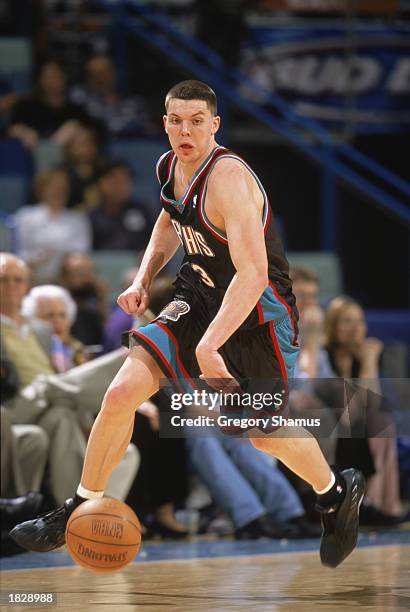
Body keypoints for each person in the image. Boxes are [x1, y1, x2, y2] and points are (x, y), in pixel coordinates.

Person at [11, 80, 364, 569]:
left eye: (197, 120)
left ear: (214, 125)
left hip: (257, 311)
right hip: (197, 294)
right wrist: (142, 278)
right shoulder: (168, 166)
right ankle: (77, 507)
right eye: (176, 120)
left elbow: (253, 272)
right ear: (165, 123)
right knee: (119, 395)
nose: (186, 130)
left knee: (261, 434)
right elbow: (168, 220)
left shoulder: (229, 178)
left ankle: (335, 491)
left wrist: (210, 345)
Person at [14, 167, 91, 284]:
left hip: (67, 281)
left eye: (63, 188)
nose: (58, 191)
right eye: (53, 187)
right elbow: (18, 252)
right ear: (42, 189)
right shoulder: (25, 216)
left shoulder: (78, 219)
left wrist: (61, 257)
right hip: (32, 277)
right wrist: (37, 258)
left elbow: (81, 253)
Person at [89, 161, 153, 252]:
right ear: (102, 183)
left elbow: (154, 240)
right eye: (115, 181)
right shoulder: (93, 216)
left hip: (139, 264)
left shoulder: (142, 210)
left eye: (125, 180)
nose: (121, 186)